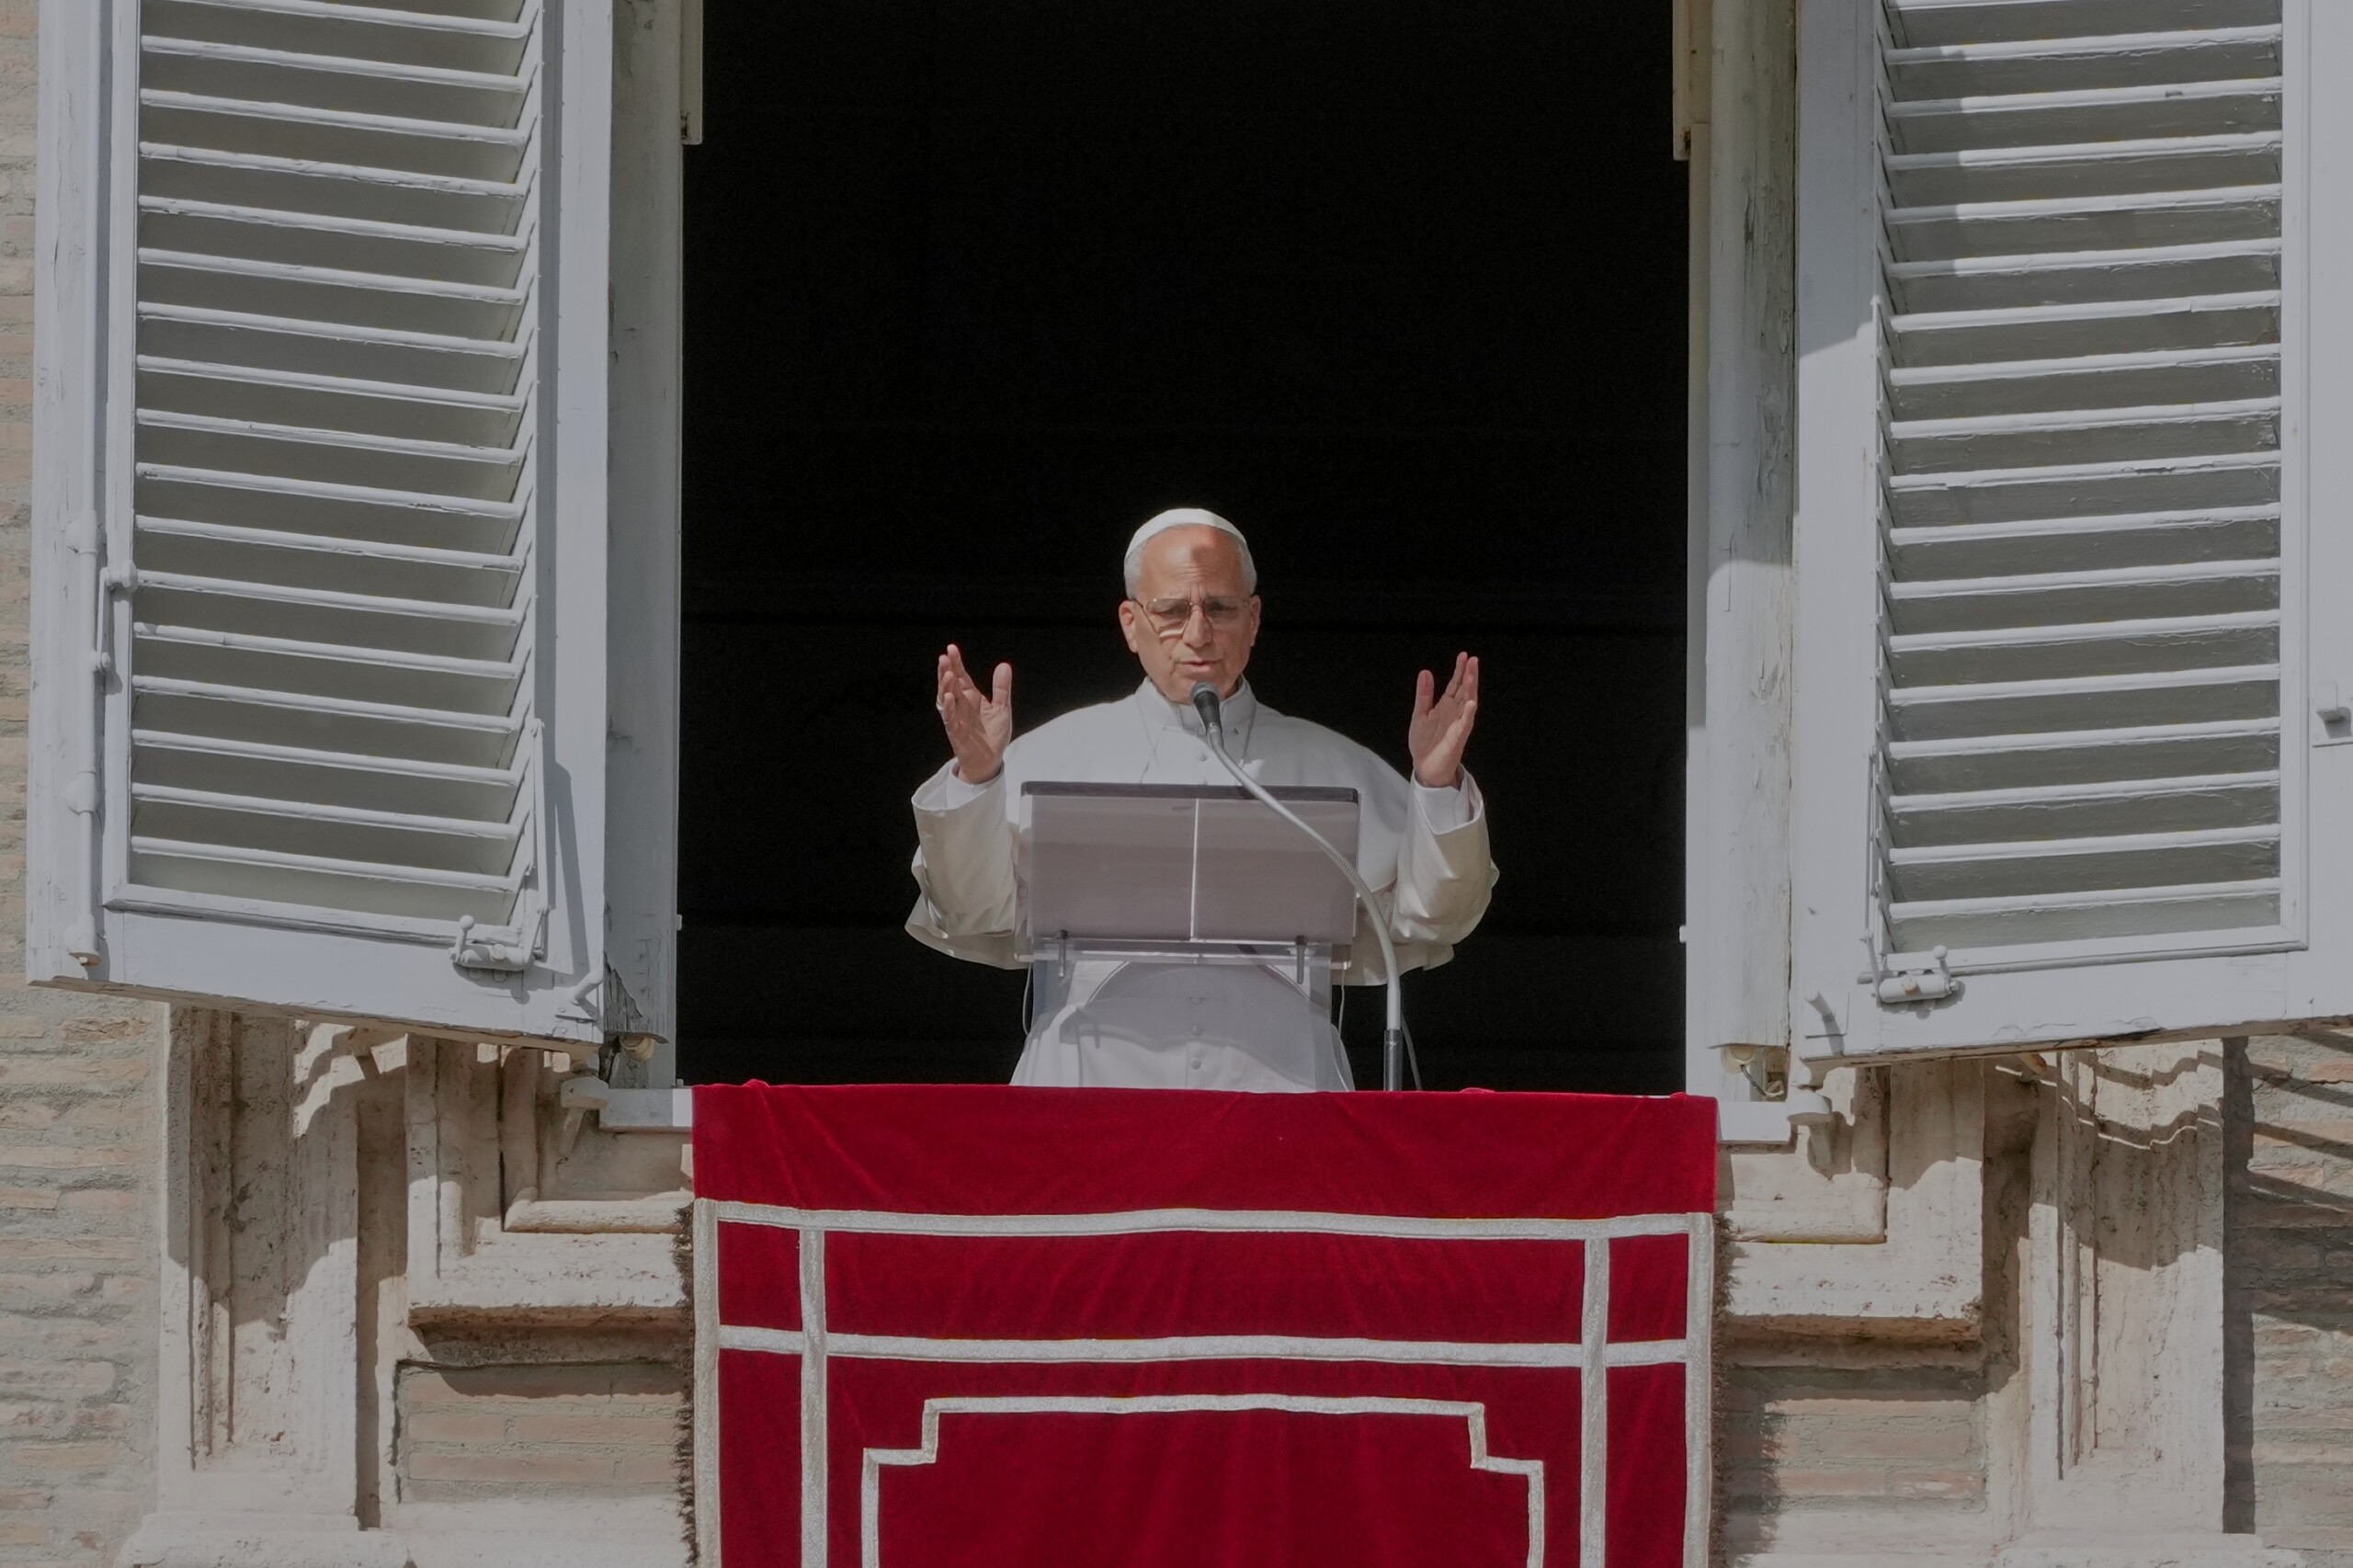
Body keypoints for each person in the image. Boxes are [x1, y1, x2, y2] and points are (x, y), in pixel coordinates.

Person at [906, 507, 1495, 1090]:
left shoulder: (1331, 763)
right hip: (1088, 1093)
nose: (1197, 633)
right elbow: (971, 910)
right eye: (1169, 611)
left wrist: (1436, 787)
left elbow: (1434, 917)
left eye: (1220, 607)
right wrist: (980, 778)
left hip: (1279, 1096)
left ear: (1254, 618)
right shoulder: (1054, 753)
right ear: (1130, 624)